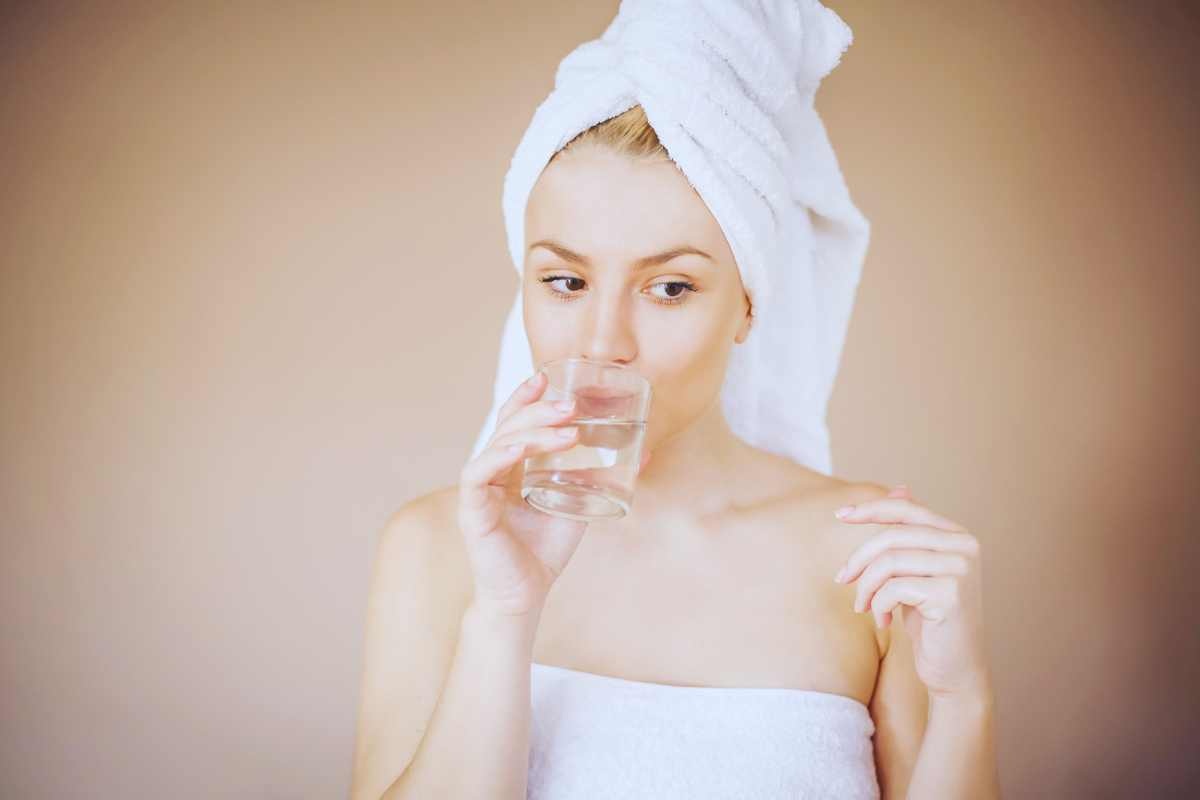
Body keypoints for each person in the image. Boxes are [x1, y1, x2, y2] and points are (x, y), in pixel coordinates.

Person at [352, 3, 1000, 797]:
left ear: (750, 307)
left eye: (668, 287)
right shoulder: (438, 547)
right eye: (565, 280)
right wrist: (504, 616)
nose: (603, 342)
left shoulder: (868, 557)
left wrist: (963, 702)